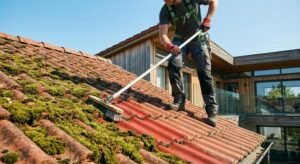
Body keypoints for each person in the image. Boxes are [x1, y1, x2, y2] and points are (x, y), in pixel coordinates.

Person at [159, 0, 218, 126]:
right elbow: (162, 34)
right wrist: (169, 45)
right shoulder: (165, 9)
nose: (165, 1)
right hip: (179, 40)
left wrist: (208, 18)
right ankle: (179, 99)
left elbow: (214, 1)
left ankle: (211, 111)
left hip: (199, 40)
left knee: (204, 75)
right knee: (173, 63)